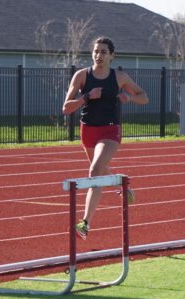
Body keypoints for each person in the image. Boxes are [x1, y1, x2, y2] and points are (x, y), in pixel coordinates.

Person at [62, 37, 149, 239]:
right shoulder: (82, 76)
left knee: (95, 171)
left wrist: (130, 98)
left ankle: (85, 223)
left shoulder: (119, 77)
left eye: (103, 52)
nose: (98, 55)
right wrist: (86, 97)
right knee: (102, 171)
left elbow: (144, 97)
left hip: (110, 131)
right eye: (95, 51)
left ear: (111, 56)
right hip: (88, 130)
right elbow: (66, 109)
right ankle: (123, 186)